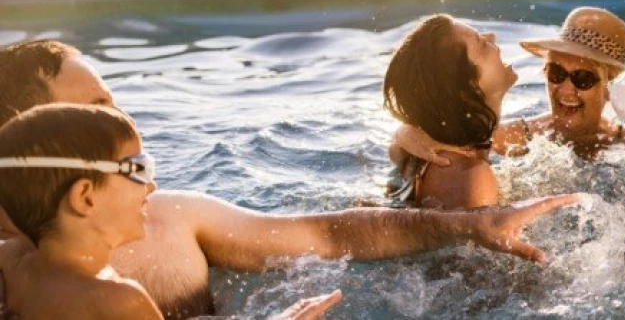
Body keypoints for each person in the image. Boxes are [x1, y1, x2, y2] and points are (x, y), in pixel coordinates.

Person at [0, 40, 581, 318]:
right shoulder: (20, 272)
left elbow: (329, 233)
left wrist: (471, 226)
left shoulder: (174, 217)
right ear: (28, 130)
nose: (122, 117)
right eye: (96, 108)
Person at [0, 104, 344, 320]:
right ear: (85, 197)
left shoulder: (12, 266)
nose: (151, 186)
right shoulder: (119, 299)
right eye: (138, 169)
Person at [390, 7, 625, 165]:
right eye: (556, 73)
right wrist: (405, 135)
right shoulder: (522, 136)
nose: (566, 90)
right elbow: (442, 138)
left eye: (583, 78)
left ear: (609, 88)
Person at [383, 14, 516, 209]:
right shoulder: (471, 176)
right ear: (470, 86)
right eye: (482, 44)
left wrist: (403, 133)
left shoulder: (425, 150)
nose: (492, 36)